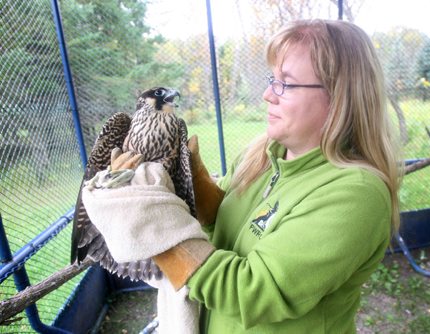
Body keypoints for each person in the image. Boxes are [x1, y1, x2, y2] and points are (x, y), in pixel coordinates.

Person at [83, 19, 401, 334]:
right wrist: (190, 178)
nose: (267, 94)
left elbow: (251, 292)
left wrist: (145, 220)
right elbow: (221, 219)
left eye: (285, 83)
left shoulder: (355, 195)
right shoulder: (262, 155)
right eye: (271, 78)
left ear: (339, 97)